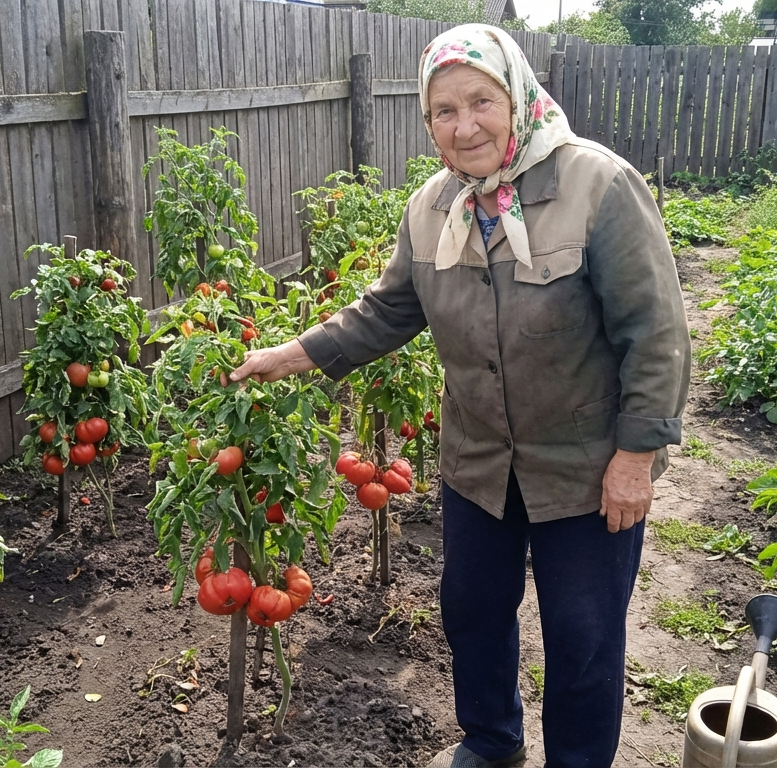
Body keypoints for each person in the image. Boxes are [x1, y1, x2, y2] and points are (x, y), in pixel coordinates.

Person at [230, 24, 689, 768]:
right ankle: (493, 740)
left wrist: (636, 457)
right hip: (478, 462)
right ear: (427, 120)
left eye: (481, 101)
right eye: (443, 110)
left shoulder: (597, 186)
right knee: (472, 611)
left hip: (585, 468)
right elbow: (387, 310)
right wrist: (290, 356)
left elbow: (656, 332)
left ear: (518, 98)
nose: (464, 125)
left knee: (583, 637)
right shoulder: (431, 207)